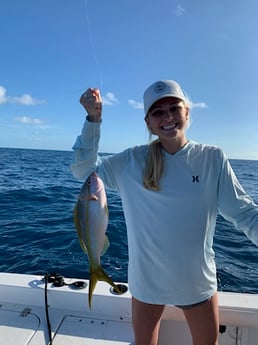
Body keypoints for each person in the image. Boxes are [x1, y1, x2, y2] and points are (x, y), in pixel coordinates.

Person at [71, 80, 258, 345]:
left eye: (174, 107)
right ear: (148, 122)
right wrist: (93, 120)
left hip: (196, 283)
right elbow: (83, 171)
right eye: (158, 112)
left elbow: (244, 213)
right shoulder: (130, 161)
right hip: (146, 284)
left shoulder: (212, 158)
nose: (168, 116)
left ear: (187, 112)